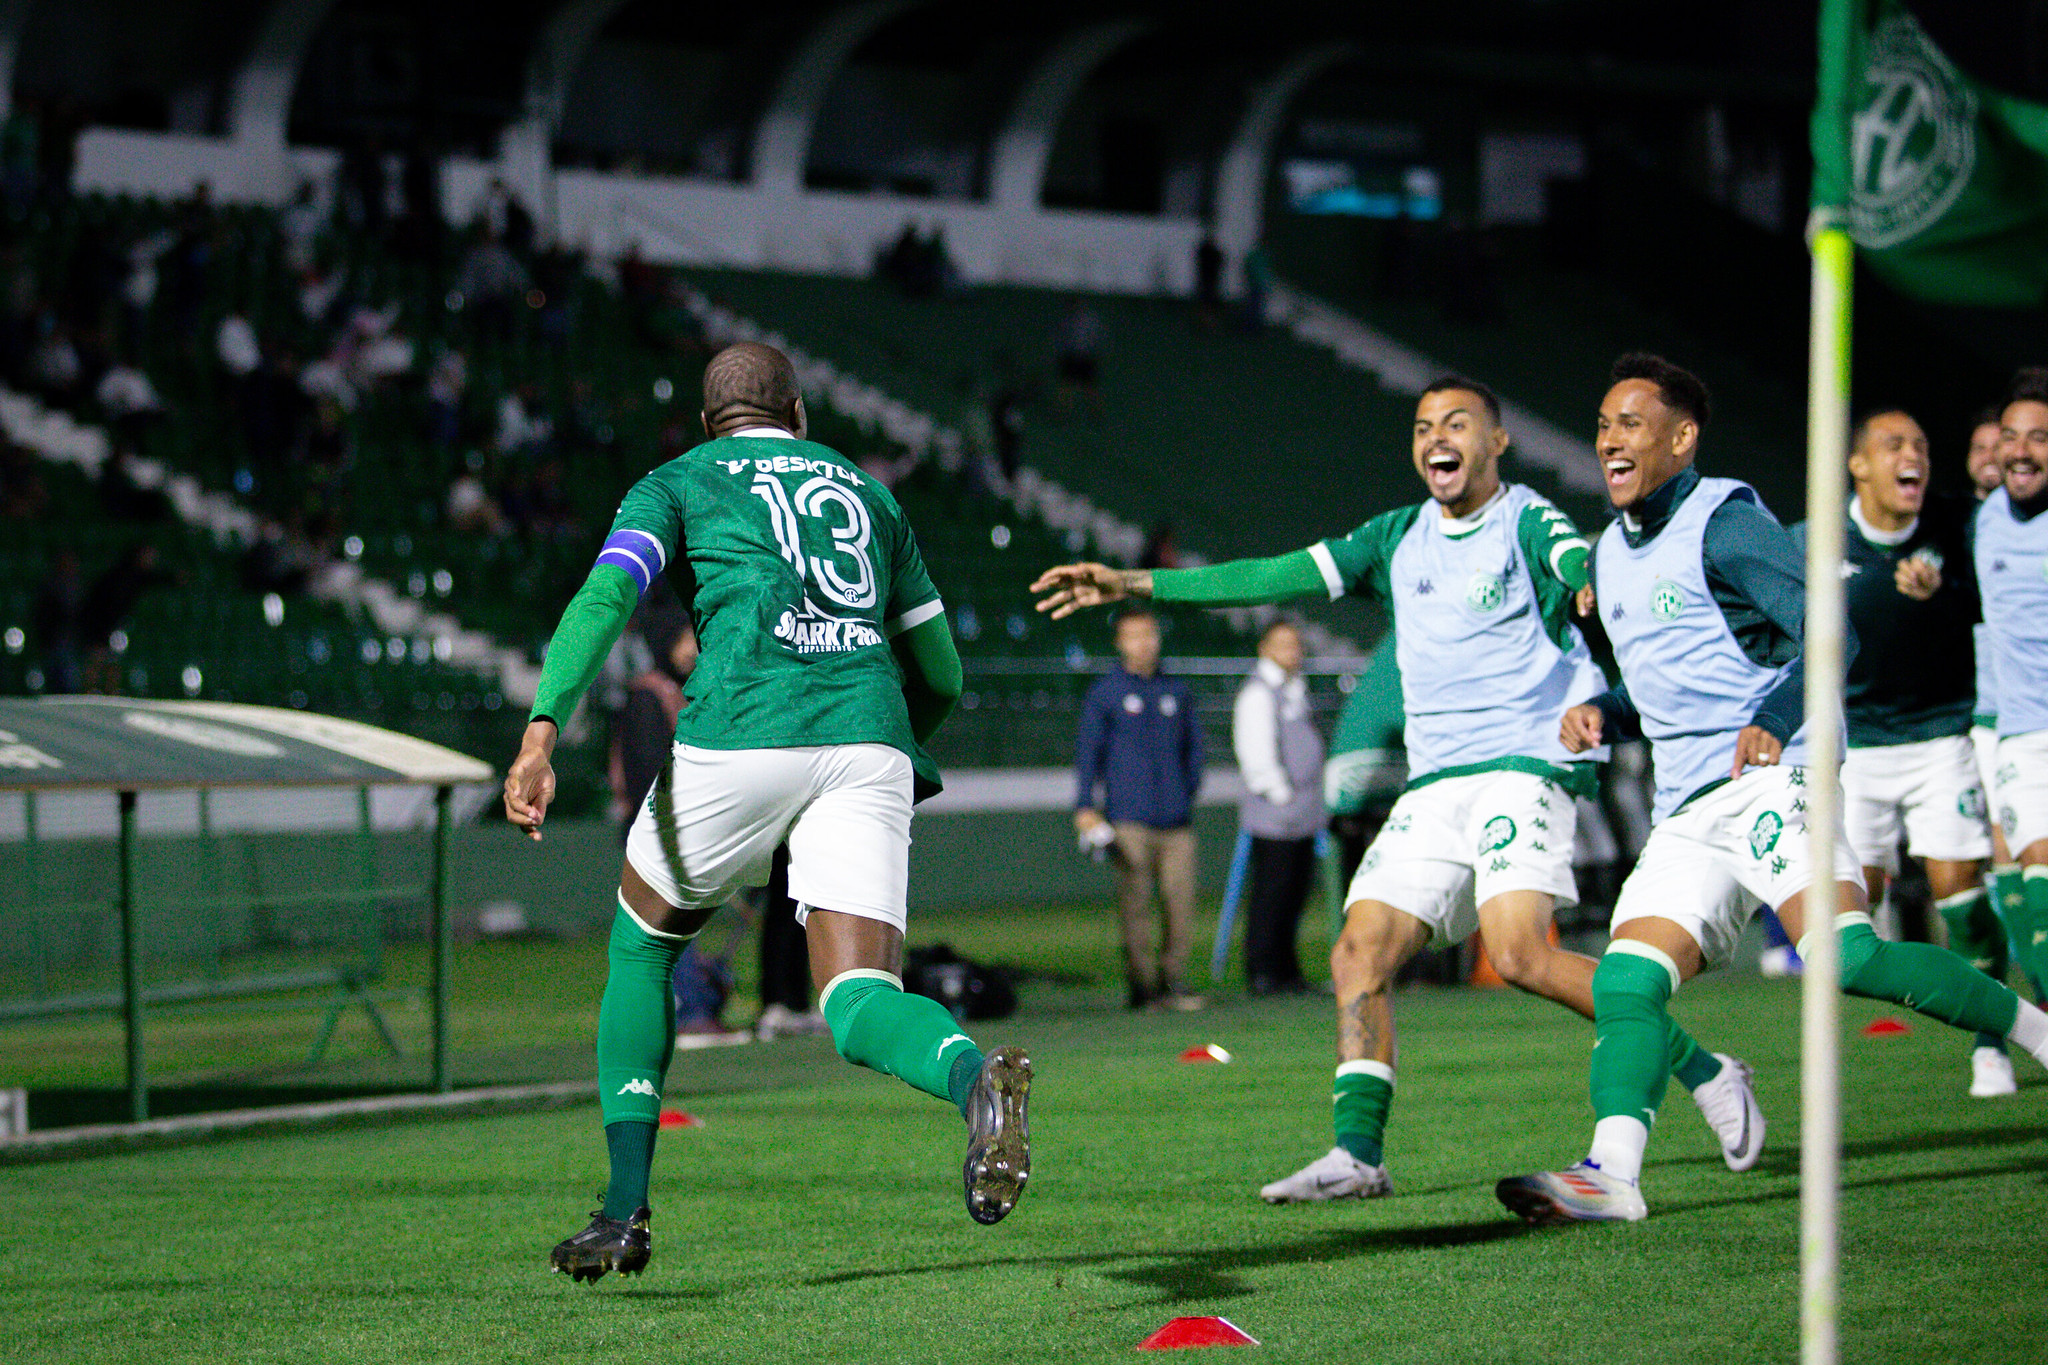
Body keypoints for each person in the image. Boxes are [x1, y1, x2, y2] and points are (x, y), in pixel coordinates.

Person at [1035, 375, 1762, 1205]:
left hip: (1522, 771)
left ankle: (1705, 1070)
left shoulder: (1525, 519)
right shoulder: (1394, 537)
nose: (1435, 439)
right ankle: (1357, 1155)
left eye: (1456, 423)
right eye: (1422, 428)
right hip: (1434, 785)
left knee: (1520, 953)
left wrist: (1588, 589)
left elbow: (1574, 560)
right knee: (1358, 952)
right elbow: (1275, 572)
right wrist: (1138, 584)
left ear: (1497, 442)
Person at [503, 342, 1032, 1282]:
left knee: (641, 944)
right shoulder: (869, 492)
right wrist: (886, 744)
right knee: (856, 999)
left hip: (742, 727)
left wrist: (543, 731)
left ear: (712, 422)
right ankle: (969, 1078)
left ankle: (624, 1211)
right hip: (869, 736)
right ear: (798, 411)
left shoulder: (675, 480)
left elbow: (604, 599)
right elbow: (942, 671)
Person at [1497, 354, 2048, 1225]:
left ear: (1682, 439)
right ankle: (1614, 1172)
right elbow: (1670, 683)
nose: (1610, 438)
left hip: (1773, 775)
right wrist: (1603, 707)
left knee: (1847, 957)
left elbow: (1830, 629)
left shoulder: (1728, 520)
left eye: (1631, 423)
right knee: (1625, 985)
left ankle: (2038, 1034)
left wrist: (1779, 715)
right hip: (1688, 805)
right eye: (1603, 423)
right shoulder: (1611, 549)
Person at [1792, 409, 2008, 1096]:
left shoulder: (1955, 528)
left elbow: (1993, 602)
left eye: (1920, 443)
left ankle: (1992, 1039)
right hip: (1854, 748)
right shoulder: (1814, 540)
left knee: (1961, 894)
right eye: (1893, 446)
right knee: (1856, 920)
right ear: (1858, 465)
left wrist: (1945, 593)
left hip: (1940, 734)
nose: (1911, 455)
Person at [1073, 606, 1205, 1012]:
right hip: (1128, 821)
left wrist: (1185, 794)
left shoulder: (1177, 691)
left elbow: (1194, 752)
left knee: (1180, 906)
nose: (1144, 643)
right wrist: (1084, 806)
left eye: (1149, 634)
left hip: (1176, 823)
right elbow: (1087, 753)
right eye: (1134, 635)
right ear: (1120, 642)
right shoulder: (1105, 693)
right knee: (1135, 908)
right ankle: (1143, 988)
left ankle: (1173, 982)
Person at [1977, 367, 2048, 1007]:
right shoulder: (1983, 521)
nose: (2022, 449)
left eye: (2040, 437)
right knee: (2035, 875)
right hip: (2023, 732)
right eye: (2011, 435)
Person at [1232, 619, 1324, 995]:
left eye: (1296, 644)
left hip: (1303, 814)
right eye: (1283, 644)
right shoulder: (1258, 693)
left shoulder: (1294, 690)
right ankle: (1264, 971)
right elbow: (1257, 755)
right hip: (1278, 816)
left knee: (1293, 894)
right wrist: (1282, 795)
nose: (1293, 652)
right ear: (1264, 648)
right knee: (1271, 894)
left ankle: (1287, 970)